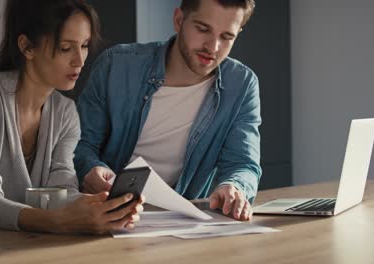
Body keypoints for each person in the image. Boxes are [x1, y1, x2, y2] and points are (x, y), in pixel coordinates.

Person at [0, 0, 143, 234]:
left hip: (8, 247)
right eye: (66, 48)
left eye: (84, 46)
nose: (80, 60)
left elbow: (61, 190)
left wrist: (100, 205)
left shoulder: (65, 113)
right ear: (27, 47)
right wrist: (59, 221)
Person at [75, 0, 260, 221]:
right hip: (112, 216)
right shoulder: (116, 66)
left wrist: (233, 186)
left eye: (227, 37)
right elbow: (82, 145)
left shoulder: (241, 84)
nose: (213, 47)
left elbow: (243, 163)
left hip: (184, 221)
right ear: (178, 20)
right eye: (203, 29)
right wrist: (90, 168)